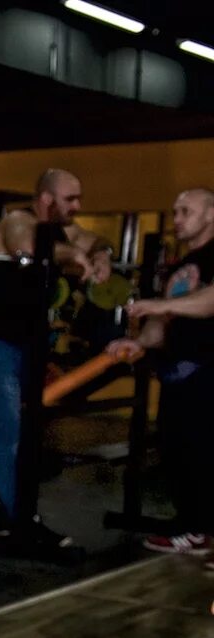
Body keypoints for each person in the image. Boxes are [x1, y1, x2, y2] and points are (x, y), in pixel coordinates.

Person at [0, 168, 113, 545]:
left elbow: (94, 238)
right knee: (9, 436)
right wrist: (74, 253)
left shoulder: (60, 229)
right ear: (47, 199)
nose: (78, 206)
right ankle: (22, 522)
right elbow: (26, 246)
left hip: (14, 347)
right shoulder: (18, 220)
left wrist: (101, 254)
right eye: (71, 199)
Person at [110, 187, 214, 557]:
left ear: (211, 215)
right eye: (175, 211)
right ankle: (195, 528)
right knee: (179, 451)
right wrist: (140, 342)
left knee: (204, 451)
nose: (178, 218)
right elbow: (162, 322)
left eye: (186, 210)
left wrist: (160, 303)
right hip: (179, 375)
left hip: (208, 372)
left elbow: (208, 302)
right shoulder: (177, 266)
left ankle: (199, 528)